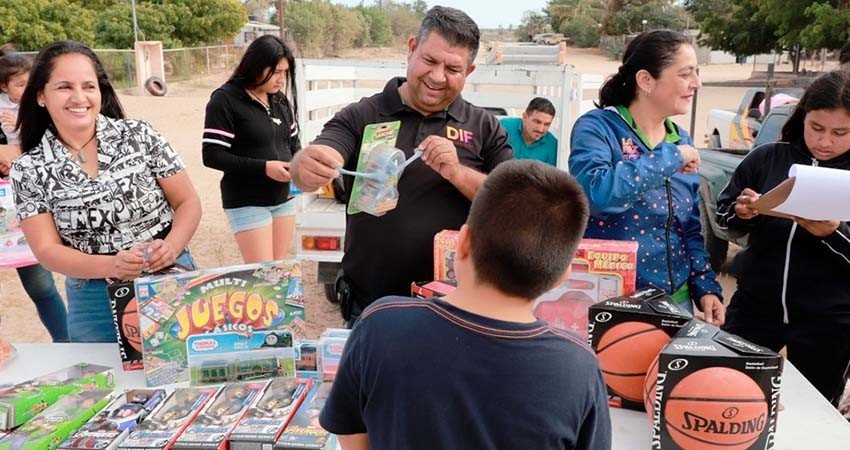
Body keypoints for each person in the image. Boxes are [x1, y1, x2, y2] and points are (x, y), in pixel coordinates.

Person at [319, 160, 611, 450]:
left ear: (463, 242)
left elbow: (351, 433)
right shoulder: (578, 365)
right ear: (562, 275)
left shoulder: (380, 325)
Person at [289, 6, 512, 324]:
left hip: (458, 313)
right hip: (372, 309)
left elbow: (512, 204)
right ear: (411, 49)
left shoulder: (485, 126)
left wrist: (457, 173)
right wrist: (307, 166)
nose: (437, 76)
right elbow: (322, 155)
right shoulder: (362, 116)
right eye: (430, 61)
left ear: (470, 71)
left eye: (452, 68)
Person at [10, 41, 201, 343]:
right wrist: (112, 265)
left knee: (184, 377)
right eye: (64, 87)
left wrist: (173, 247)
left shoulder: (141, 135)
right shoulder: (29, 169)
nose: (79, 97)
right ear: (40, 96)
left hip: (170, 275)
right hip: (93, 301)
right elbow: (47, 251)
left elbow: (187, 201)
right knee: (103, 386)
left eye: (89, 86)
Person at [568, 30, 725, 323]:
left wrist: (705, 285)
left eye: (697, 73)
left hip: (676, 304)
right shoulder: (599, 128)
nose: (697, 83)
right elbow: (598, 195)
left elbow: (689, 227)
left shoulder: (681, 139)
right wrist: (670, 158)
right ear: (646, 81)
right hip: (612, 302)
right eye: (685, 74)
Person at [716, 70, 850, 407]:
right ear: (802, 116)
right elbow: (723, 217)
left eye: (840, 133)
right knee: (725, 395)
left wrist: (833, 234)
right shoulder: (767, 158)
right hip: (753, 310)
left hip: (830, 323)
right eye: (816, 128)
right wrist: (743, 211)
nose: (825, 141)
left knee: (816, 413)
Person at [202, 35, 300, 263]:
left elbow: (294, 144)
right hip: (248, 200)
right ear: (256, 65)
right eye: (276, 72)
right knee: (263, 276)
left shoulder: (280, 101)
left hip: (284, 198)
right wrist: (264, 168)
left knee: (279, 272)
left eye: (284, 73)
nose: (281, 79)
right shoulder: (225, 100)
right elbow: (212, 155)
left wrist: (302, 167)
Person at [0, 43, 68, 343]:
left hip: (20, 213)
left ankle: (68, 345)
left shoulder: (38, 110)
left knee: (41, 286)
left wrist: (17, 153)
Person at [499, 97, 558, 165]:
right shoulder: (504, 127)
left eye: (547, 124)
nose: (540, 129)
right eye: (537, 122)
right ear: (524, 116)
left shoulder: (553, 145)